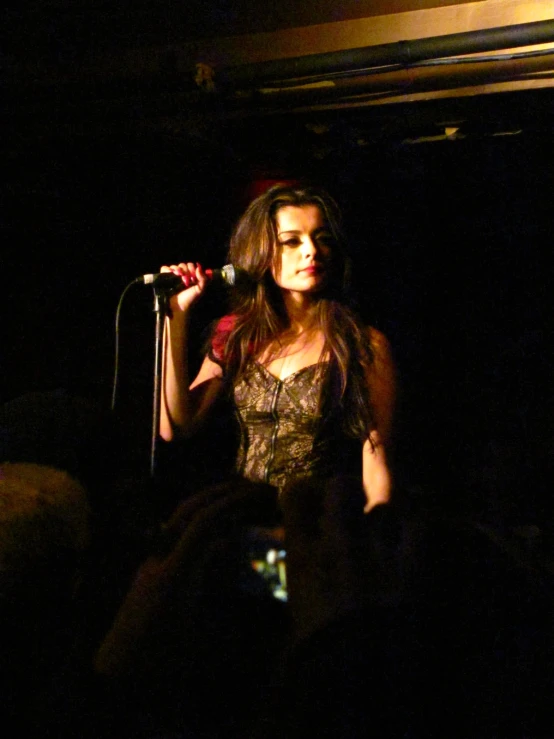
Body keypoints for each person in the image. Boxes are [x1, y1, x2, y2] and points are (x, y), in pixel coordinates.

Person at [159, 182, 396, 513]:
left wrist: (372, 535)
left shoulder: (361, 343)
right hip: (245, 516)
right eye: (292, 241)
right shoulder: (236, 334)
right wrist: (177, 317)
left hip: (316, 522)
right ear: (263, 251)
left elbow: (376, 455)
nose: (311, 250)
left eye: (321, 238)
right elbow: (176, 426)